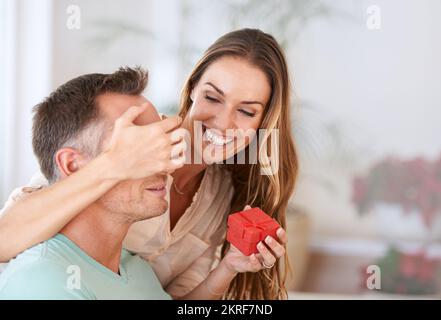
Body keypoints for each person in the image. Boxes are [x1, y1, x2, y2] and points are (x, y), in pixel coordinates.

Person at [0, 28, 298, 299]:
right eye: (212, 97)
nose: (224, 122)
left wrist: (229, 267)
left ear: (262, 123)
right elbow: (5, 239)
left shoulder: (221, 195)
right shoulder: (118, 141)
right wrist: (116, 163)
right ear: (193, 88)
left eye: (246, 112)